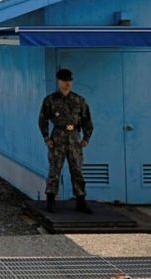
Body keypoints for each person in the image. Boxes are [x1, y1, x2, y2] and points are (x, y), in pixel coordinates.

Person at [38, 68, 94, 214]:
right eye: (64, 81)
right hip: (58, 137)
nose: (67, 84)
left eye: (69, 81)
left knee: (77, 170)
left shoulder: (78, 100)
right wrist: (46, 138)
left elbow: (87, 120)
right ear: (59, 81)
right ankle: (51, 200)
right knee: (54, 170)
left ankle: (81, 200)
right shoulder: (50, 100)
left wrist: (86, 138)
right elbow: (42, 119)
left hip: (74, 137)